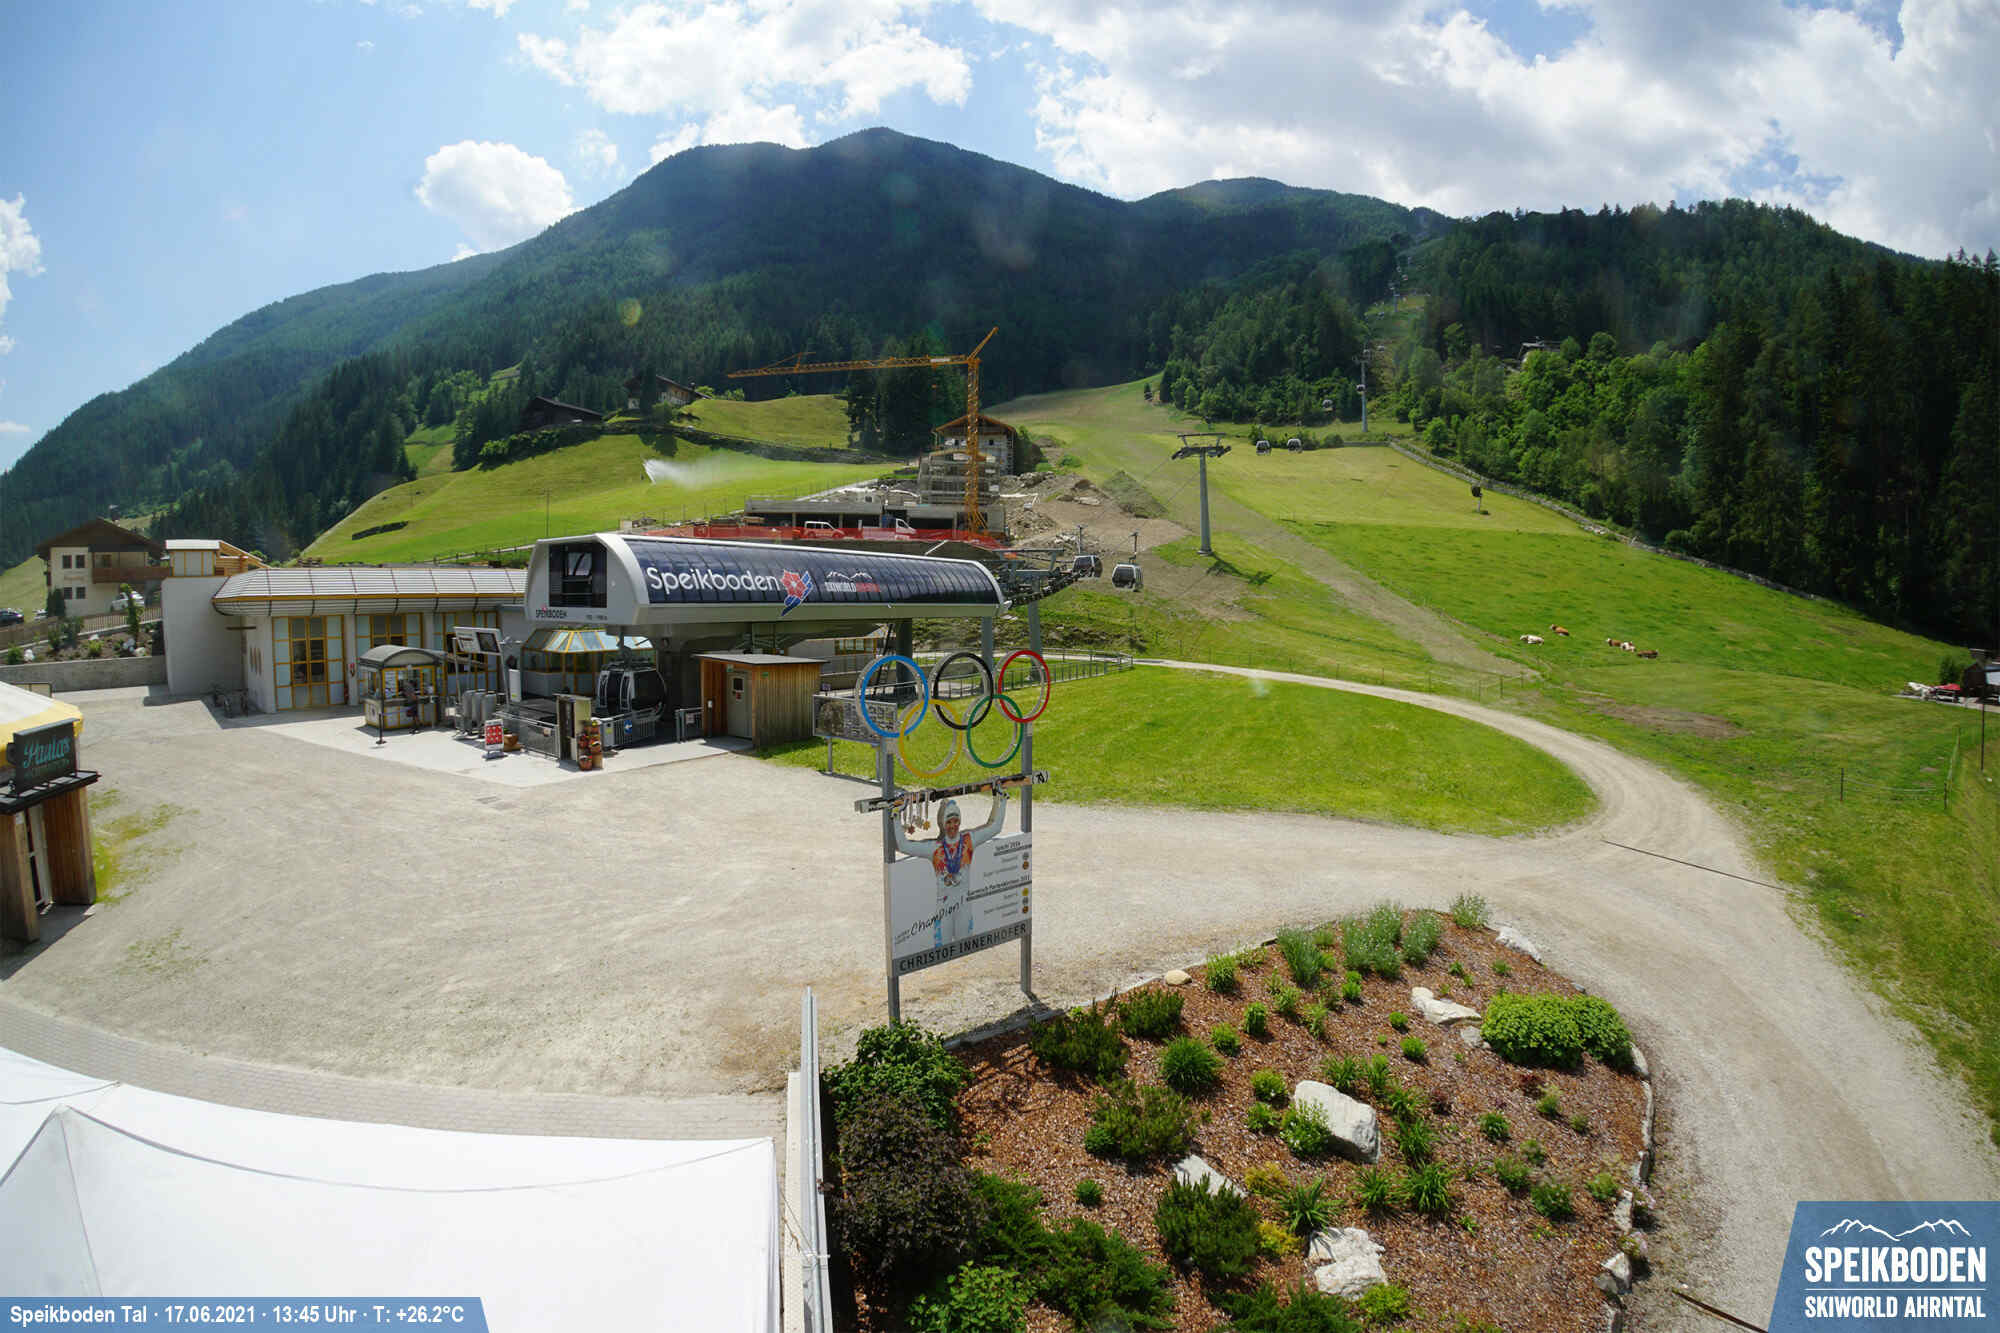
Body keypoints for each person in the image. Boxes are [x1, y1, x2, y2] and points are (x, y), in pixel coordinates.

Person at [893, 786, 1009, 949]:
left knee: (965, 946)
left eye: (956, 821)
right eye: (948, 822)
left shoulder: (969, 840)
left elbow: (995, 827)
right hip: (944, 908)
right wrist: (895, 816)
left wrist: (1001, 799)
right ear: (942, 823)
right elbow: (902, 845)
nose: (953, 825)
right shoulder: (934, 848)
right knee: (942, 949)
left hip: (964, 905)